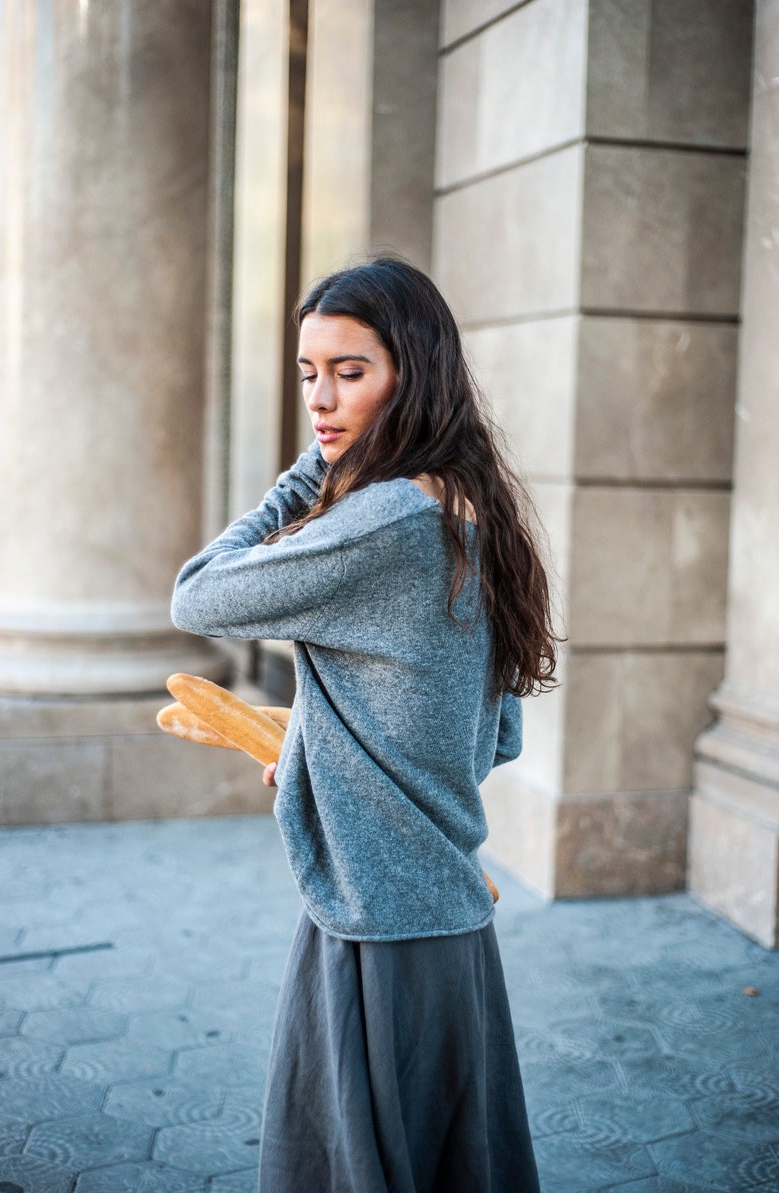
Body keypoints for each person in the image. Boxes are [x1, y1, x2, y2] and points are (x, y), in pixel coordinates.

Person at [171, 256, 558, 1192]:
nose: (322, 399)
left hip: (373, 914)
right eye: (310, 374)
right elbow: (495, 735)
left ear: (412, 373)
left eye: (351, 371)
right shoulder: (472, 507)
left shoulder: (376, 520)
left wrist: (311, 474)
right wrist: (322, 747)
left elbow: (199, 595)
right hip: (451, 919)